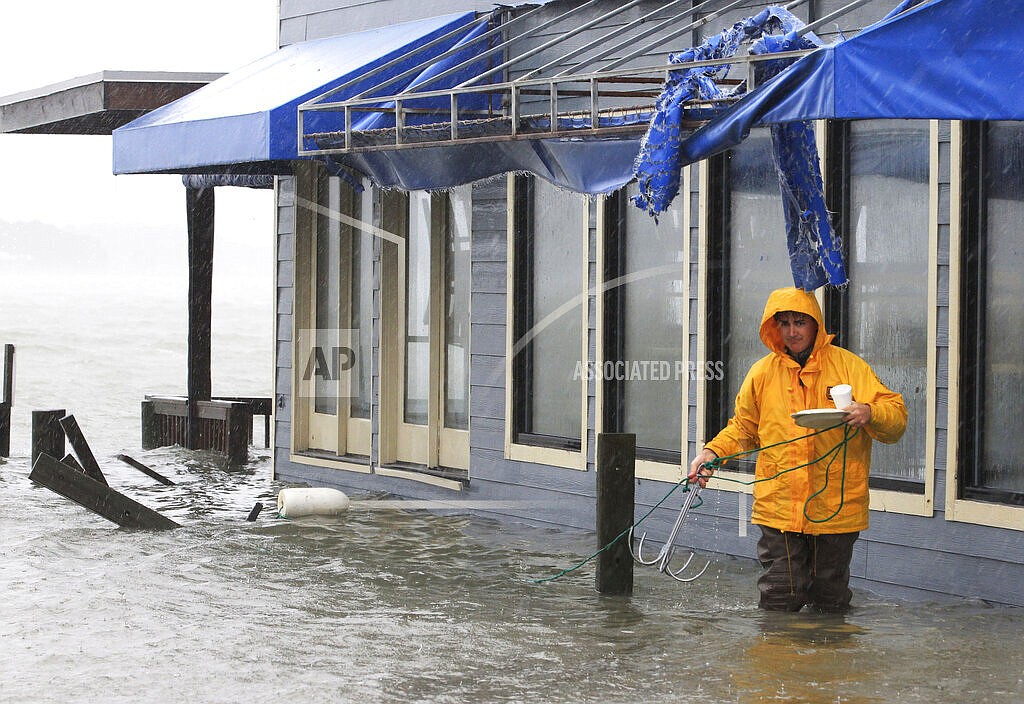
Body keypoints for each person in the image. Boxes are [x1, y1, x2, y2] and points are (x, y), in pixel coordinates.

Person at [688, 287, 907, 612]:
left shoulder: (850, 367)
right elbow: (744, 428)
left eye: (799, 322)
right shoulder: (762, 374)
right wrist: (711, 453)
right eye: (785, 323)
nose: (792, 331)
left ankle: (827, 661)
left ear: (815, 324)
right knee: (780, 593)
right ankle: (777, 661)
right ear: (774, 328)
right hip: (779, 507)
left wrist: (869, 412)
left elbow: (896, 419)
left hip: (836, 509)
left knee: (829, 598)